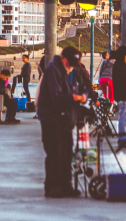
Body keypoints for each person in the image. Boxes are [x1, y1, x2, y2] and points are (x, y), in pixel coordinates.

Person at [37, 46, 88, 198]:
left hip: (67, 119)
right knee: (54, 153)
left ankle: (66, 185)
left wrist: (83, 95)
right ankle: (52, 187)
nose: (71, 66)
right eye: (70, 63)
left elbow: (84, 86)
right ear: (63, 58)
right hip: (52, 119)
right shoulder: (53, 70)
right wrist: (73, 98)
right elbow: (56, 98)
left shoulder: (75, 70)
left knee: (67, 154)